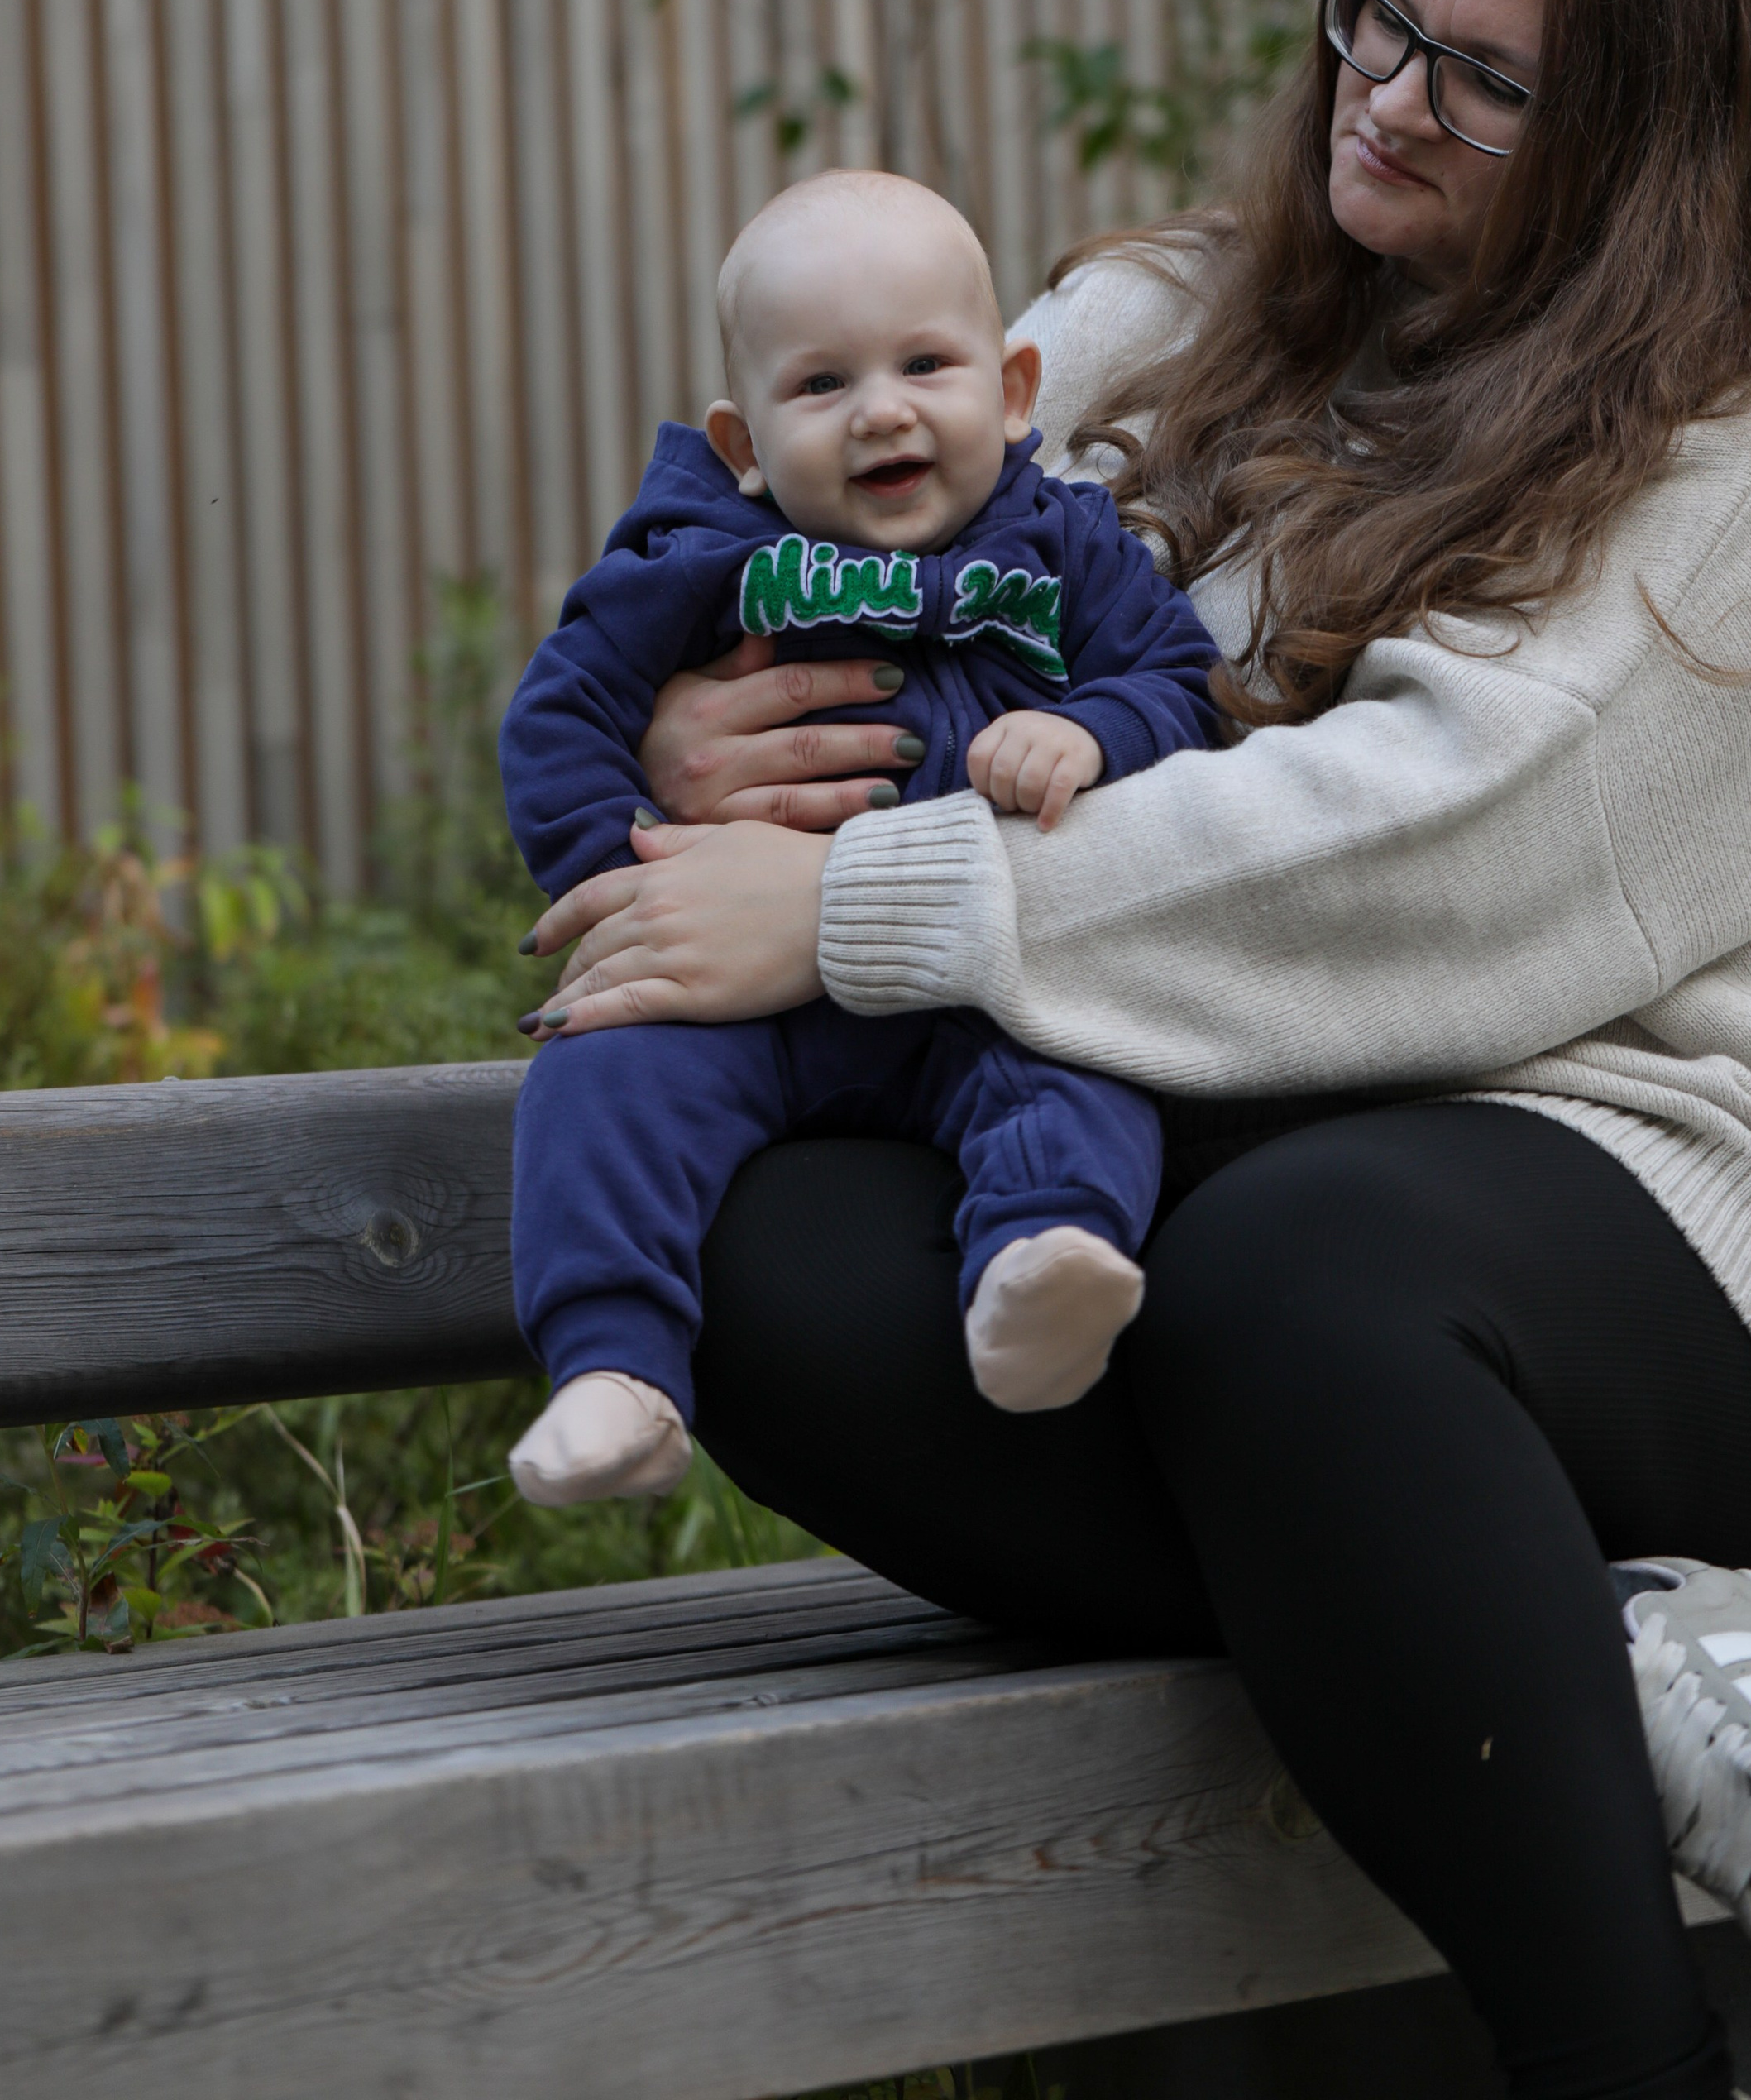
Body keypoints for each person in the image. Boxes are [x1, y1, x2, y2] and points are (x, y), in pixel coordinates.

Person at [520, 0, 1751, 2093]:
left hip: (1675, 1236)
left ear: (1650, 139)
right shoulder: (1165, 330)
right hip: (1218, 1201)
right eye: (1377, 17)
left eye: (1486, 79)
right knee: (763, 1262)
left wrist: (866, 892)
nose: (1386, 99)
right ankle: (1591, 1642)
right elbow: (803, 510)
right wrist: (706, 728)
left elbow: (1417, 857)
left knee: (1308, 1269)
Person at [500, 172, 1225, 1507]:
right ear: (745, 439)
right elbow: (562, 716)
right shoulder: (696, 558)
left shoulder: (1070, 549)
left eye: (924, 364)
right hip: (748, 1004)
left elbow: (1183, 684)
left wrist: (1096, 733)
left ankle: (1039, 1266)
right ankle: (615, 1369)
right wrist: (627, 887)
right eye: (820, 385)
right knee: (597, 1084)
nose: (882, 409)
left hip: (976, 978)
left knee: (1084, 1069)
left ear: (1015, 393)